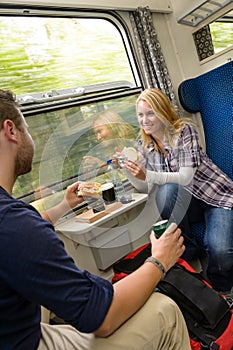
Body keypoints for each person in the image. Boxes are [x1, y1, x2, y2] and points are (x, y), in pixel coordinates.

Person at [0, 88, 191, 350]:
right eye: (28, 128)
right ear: (11, 131)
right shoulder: (15, 224)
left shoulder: (14, 220)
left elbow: (20, 230)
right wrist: (159, 260)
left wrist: (64, 206)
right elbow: (104, 319)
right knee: (164, 310)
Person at [122, 87, 233, 294]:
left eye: (150, 113)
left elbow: (185, 177)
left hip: (215, 196)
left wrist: (148, 174)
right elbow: (145, 187)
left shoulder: (183, 131)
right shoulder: (144, 146)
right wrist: (129, 171)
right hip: (189, 203)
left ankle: (223, 292)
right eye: (140, 115)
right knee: (165, 192)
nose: (144, 120)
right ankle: (188, 256)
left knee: (220, 250)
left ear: (162, 111)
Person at [82, 110, 137, 177]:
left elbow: (133, 177)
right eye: (96, 134)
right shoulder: (112, 151)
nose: (98, 138)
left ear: (113, 127)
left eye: (100, 131)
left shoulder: (131, 149)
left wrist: (104, 166)